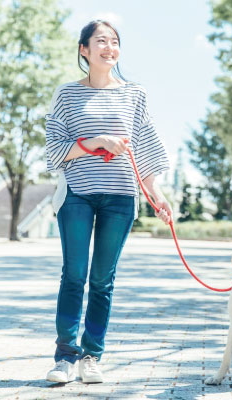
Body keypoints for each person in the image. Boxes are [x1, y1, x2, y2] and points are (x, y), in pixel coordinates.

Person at [44, 20, 172, 384]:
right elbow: (53, 150)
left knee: (103, 279)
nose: (109, 47)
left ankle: (91, 357)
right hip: (77, 195)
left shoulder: (134, 94)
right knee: (74, 275)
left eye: (114, 42)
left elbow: (145, 149)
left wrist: (157, 196)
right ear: (84, 49)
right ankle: (65, 358)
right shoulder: (67, 95)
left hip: (120, 197)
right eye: (100, 41)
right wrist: (95, 141)